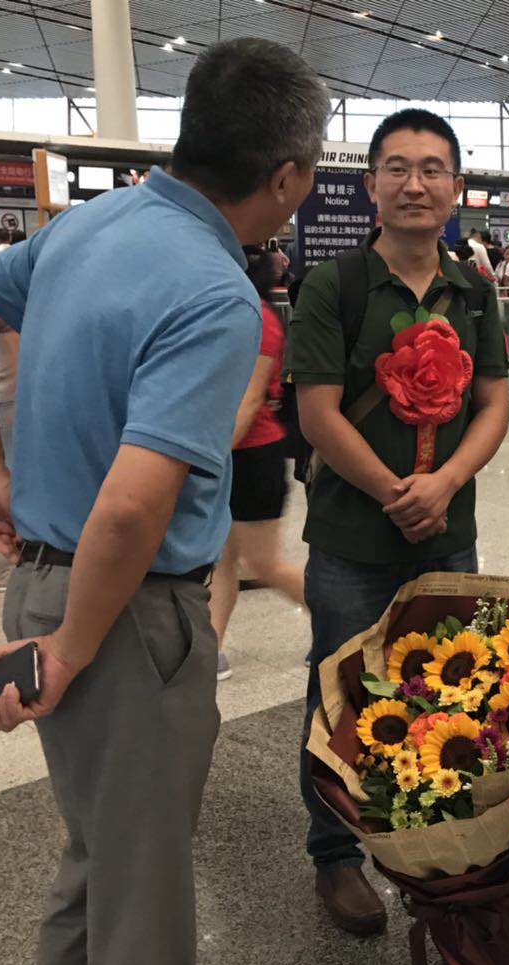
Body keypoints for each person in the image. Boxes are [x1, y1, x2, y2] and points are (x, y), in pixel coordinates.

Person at [0, 38, 326, 965]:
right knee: (142, 896)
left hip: (43, 582)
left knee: (102, 862)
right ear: (286, 178)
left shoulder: (89, 224)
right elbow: (133, 507)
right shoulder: (215, 291)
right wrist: (73, 646)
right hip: (124, 617)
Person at [288, 107, 509, 936]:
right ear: (371, 184)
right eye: (398, 168)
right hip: (352, 541)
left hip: (448, 535)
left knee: (442, 687)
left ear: (456, 186)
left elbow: (494, 402)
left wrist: (444, 482)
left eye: (432, 169)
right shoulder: (333, 285)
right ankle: (334, 854)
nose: (415, 184)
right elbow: (317, 414)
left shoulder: (473, 289)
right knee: (341, 696)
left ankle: (423, 836)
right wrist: (395, 491)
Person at [209, 246, 307, 681]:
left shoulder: (260, 319)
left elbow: (250, 401)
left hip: (254, 456)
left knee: (263, 563)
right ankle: (212, 647)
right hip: (229, 453)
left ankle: (340, 624)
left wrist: (207, 456)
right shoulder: (231, 312)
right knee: (222, 560)